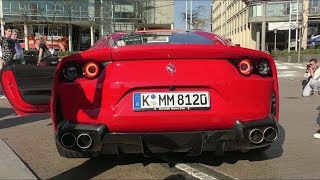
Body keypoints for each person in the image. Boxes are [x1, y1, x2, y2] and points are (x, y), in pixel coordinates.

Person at [0, 25, 15, 98]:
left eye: (11, 31)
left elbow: (13, 50)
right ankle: (2, 92)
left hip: (11, 60)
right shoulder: (2, 39)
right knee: (5, 76)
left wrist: (14, 55)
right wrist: (0, 59)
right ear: (5, 31)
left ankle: (8, 91)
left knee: (10, 76)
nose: (10, 32)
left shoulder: (11, 40)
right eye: (9, 31)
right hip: (5, 60)